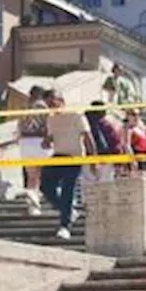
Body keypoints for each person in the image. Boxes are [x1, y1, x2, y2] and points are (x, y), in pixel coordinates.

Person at [42, 91, 94, 240]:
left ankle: (65, 226)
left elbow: (88, 137)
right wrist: (46, 142)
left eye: (52, 104)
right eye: (48, 105)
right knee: (45, 185)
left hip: (74, 157)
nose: (51, 108)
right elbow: (51, 137)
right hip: (58, 155)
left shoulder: (76, 115)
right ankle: (69, 211)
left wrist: (93, 160)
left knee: (67, 190)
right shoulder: (50, 119)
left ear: (61, 101)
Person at [17, 85, 49, 216]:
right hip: (39, 141)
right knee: (40, 174)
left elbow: (19, 126)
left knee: (31, 176)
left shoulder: (24, 107)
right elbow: (48, 124)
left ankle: (32, 204)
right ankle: (36, 201)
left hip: (25, 142)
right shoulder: (43, 107)